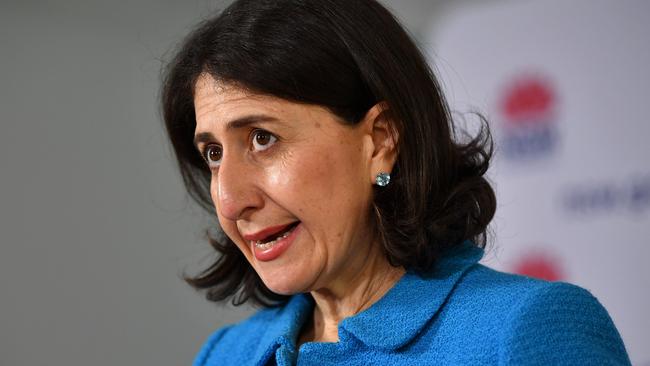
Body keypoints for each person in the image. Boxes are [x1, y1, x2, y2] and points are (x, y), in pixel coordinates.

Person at [161, 0, 631, 365]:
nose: (229, 198)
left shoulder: (528, 331)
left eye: (263, 138)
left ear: (380, 141)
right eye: (214, 154)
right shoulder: (226, 355)